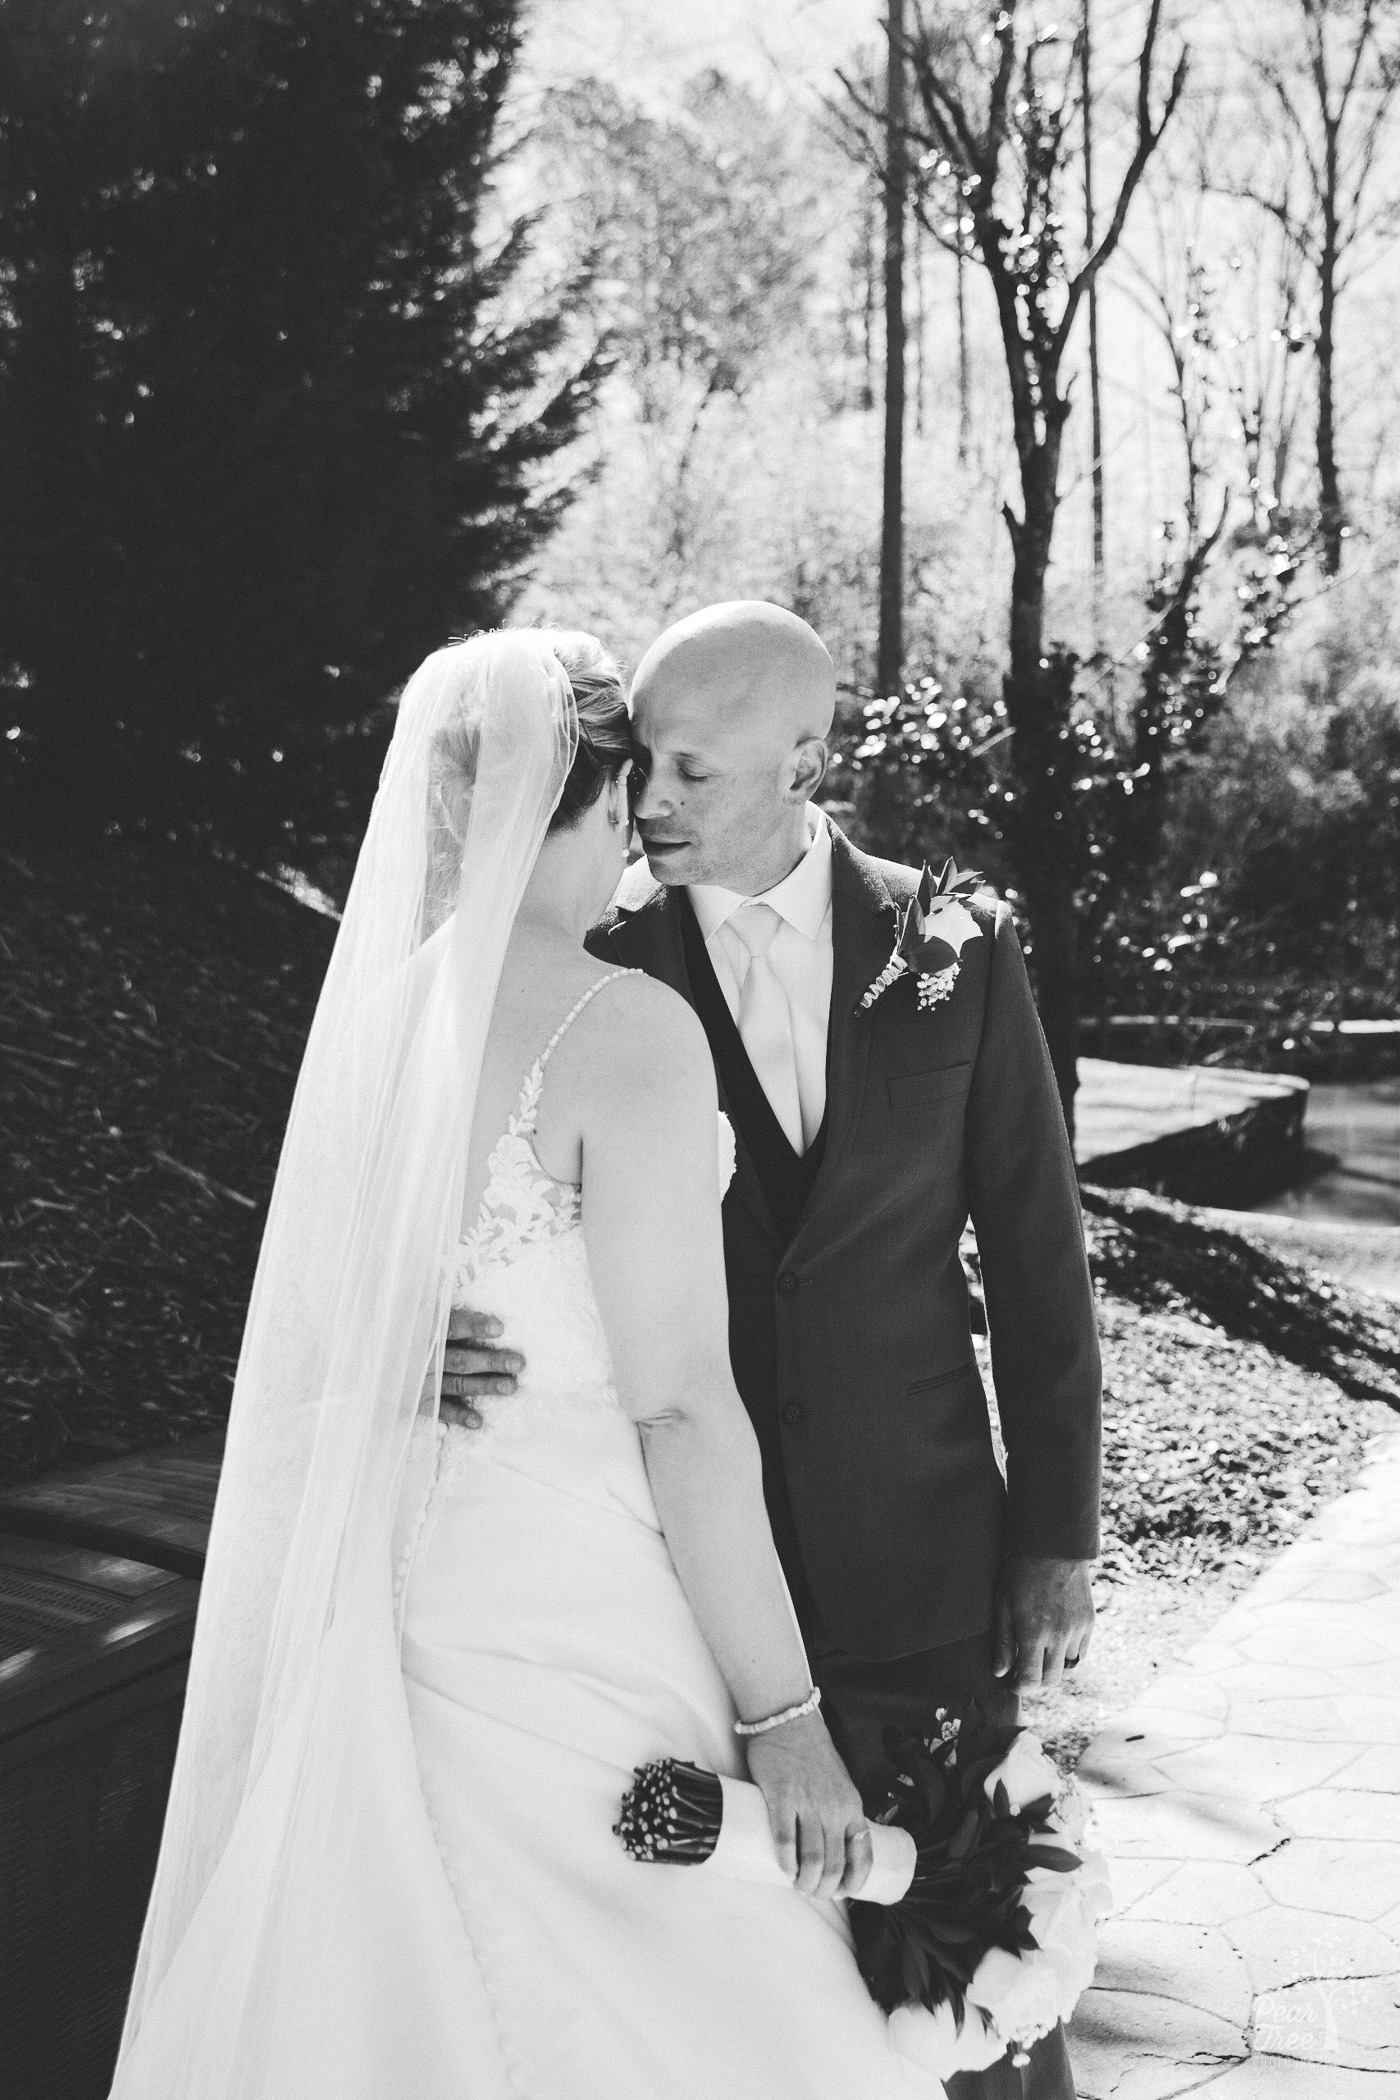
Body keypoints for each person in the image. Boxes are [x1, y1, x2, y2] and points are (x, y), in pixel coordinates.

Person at [110, 629, 940, 2099]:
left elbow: (316, 1315)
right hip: (577, 1608)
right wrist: (784, 1721)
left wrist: (385, 1360)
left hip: (396, 1594)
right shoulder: (625, 1028)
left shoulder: (378, 1013)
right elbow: (681, 1403)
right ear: (608, 799)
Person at [446, 602, 1103, 2100]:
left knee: (979, 1955)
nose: (652, 803)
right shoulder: (597, 968)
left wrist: (1056, 1536)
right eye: (642, 771)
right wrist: (424, 1335)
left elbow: (1037, 1255)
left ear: (805, 759)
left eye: (692, 772)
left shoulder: (954, 942)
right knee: (768, 1982)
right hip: (700, 1580)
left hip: (929, 1545)